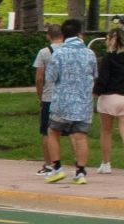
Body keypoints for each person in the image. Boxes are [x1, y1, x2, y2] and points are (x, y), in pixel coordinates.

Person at [44, 20, 99, 183]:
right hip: (83, 103)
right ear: (80, 33)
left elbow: (50, 77)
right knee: (80, 136)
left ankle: (57, 168)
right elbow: (95, 74)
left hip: (62, 102)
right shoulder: (89, 53)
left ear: (63, 34)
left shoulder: (58, 53)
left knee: (53, 132)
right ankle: (80, 172)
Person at [95, 25, 124, 173]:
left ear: (111, 40)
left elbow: (103, 80)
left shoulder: (108, 58)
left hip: (109, 98)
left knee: (106, 131)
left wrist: (95, 92)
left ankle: (106, 164)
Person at [34, 24, 65, 176]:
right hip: (67, 97)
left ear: (48, 35)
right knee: (75, 132)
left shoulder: (44, 52)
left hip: (49, 96)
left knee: (47, 132)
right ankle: (79, 165)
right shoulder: (70, 51)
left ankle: (49, 164)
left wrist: (40, 95)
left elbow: (39, 78)